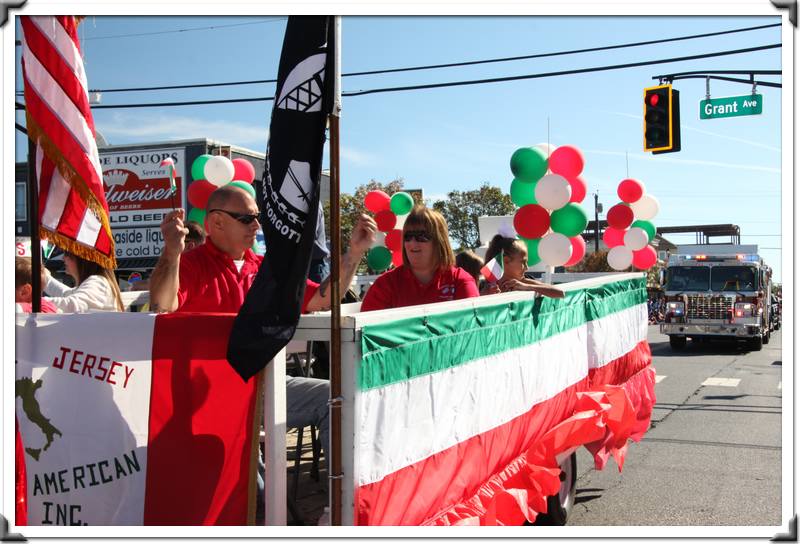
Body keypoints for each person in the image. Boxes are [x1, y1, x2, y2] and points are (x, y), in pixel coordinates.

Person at [149, 184, 377, 455]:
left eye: (258, 217)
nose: (256, 225)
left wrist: (354, 254)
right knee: (251, 487)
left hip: (263, 386)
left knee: (340, 397)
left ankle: (341, 497)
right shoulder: (190, 264)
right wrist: (172, 252)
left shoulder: (265, 267)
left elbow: (321, 299)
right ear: (217, 222)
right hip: (207, 396)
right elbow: (162, 305)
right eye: (247, 218)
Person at [360, 205, 479, 312]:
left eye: (421, 236)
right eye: (408, 236)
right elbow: (366, 330)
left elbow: (472, 329)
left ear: (439, 241)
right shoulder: (385, 284)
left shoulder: (460, 281)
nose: (412, 243)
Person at [482, 235, 565, 298]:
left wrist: (527, 287)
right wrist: (484, 295)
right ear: (506, 260)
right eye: (523, 262)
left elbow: (560, 293)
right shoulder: (486, 286)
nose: (527, 268)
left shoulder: (523, 281)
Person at [43, 251, 124, 312]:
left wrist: (35, 302)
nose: (63, 258)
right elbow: (66, 294)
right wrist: (44, 278)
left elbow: (72, 304)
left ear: (81, 258)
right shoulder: (98, 281)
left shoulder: (98, 281)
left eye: (67, 253)